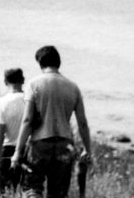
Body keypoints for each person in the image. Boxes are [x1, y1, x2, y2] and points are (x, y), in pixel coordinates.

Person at [11, 46, 92, 198]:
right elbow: (82, 122)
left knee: (32, 188)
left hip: (40, 143)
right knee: (58, 193)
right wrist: (87, 149)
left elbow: (28, 120)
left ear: (40, 63)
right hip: (65, 144)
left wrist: (17, 151)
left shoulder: (33, 84)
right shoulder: (73, 87)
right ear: (58, 62)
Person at [0, 67, 26, 193]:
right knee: (28, 192)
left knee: (6, 192)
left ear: (5, 82)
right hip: (28, 151)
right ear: (23, 80)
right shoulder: (31, 101)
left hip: (7, 151)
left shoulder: (1, 102)